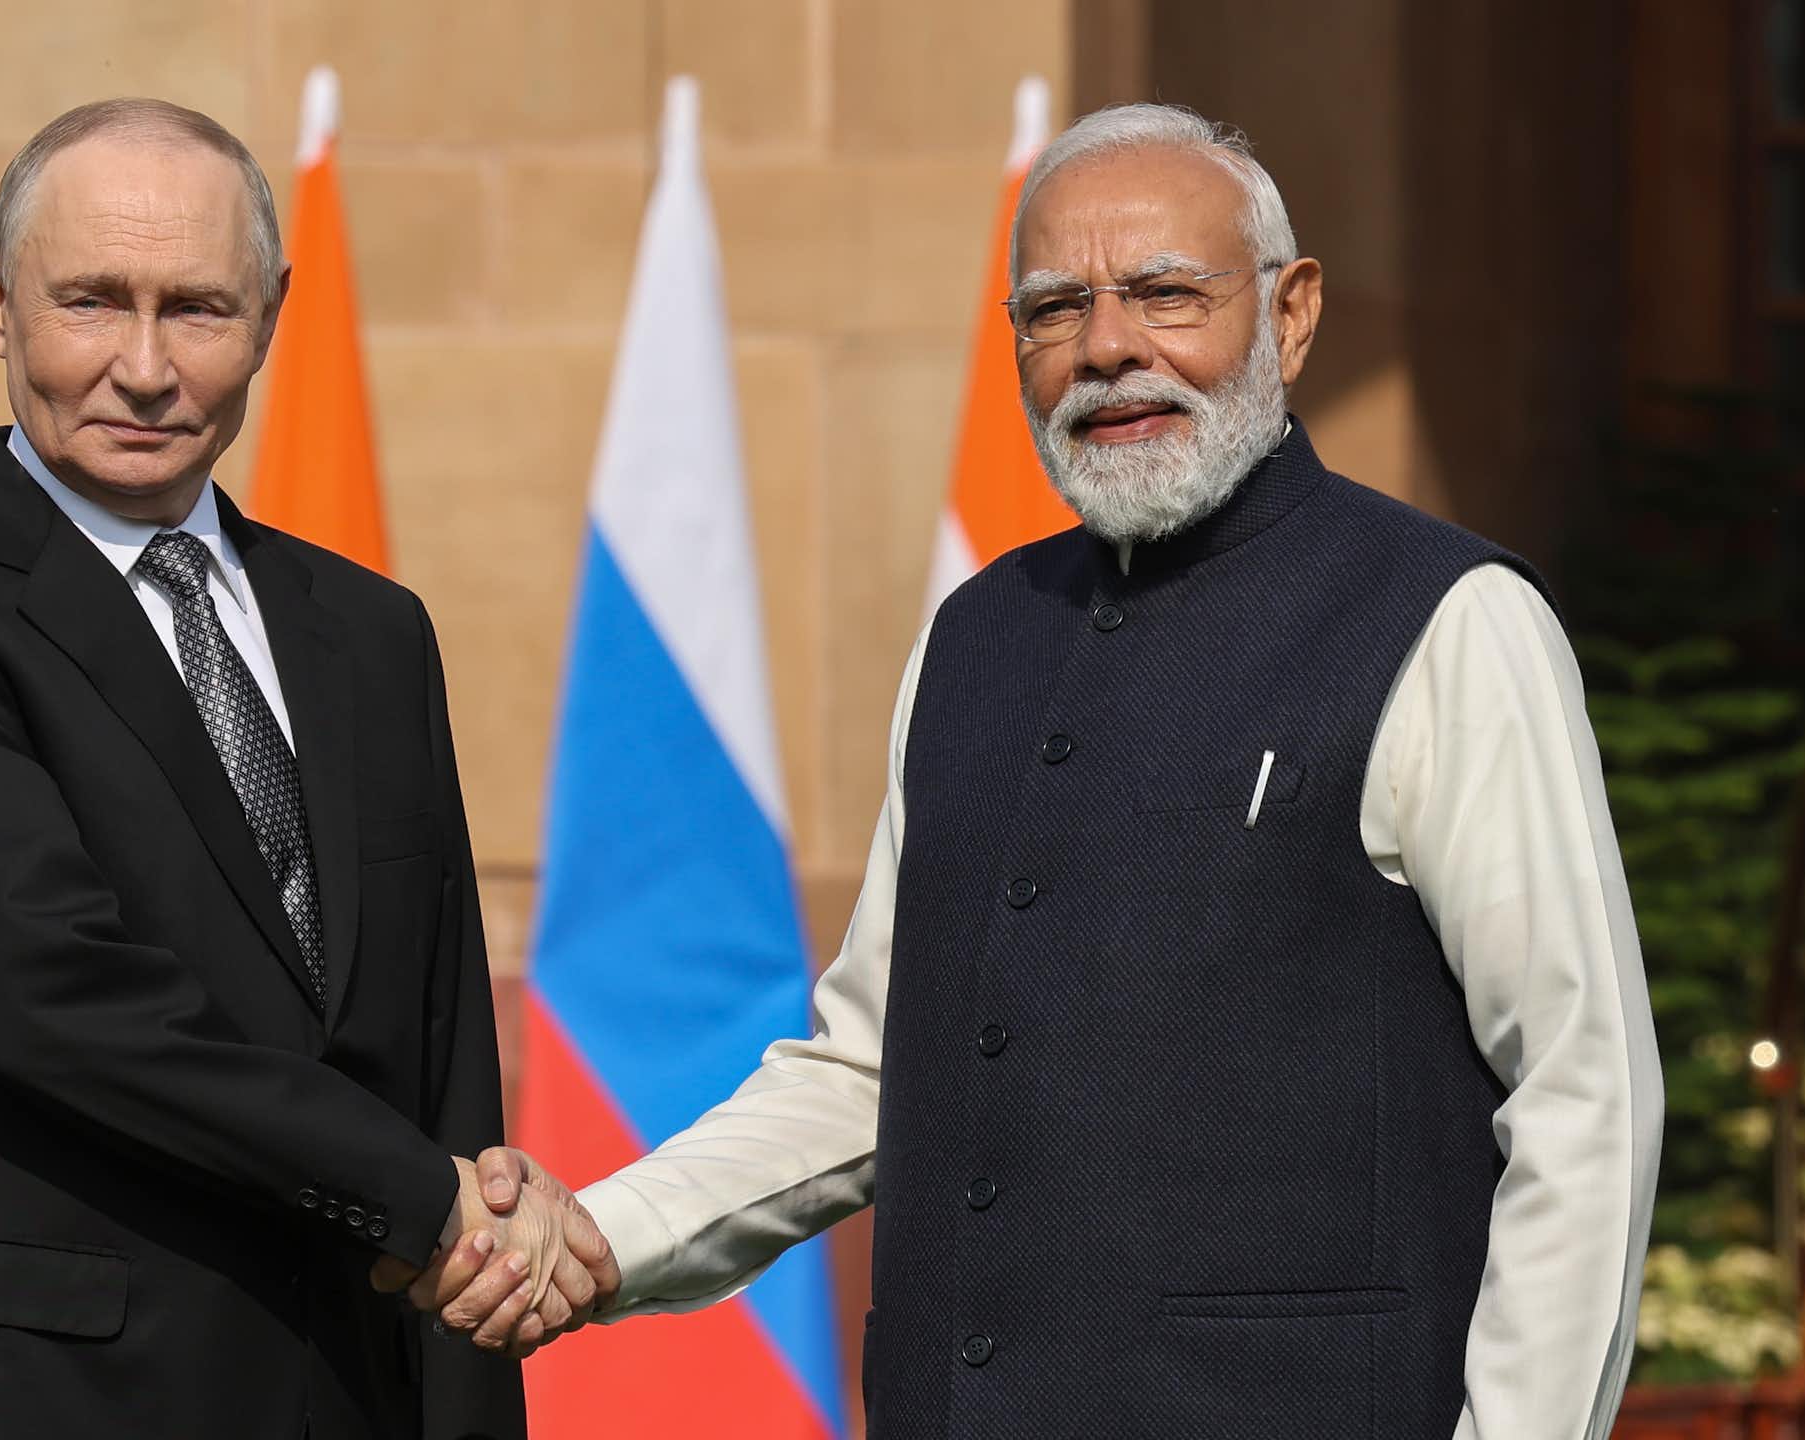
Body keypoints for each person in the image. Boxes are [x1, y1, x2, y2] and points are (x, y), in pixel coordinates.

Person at [427, 102, 1663, 1439]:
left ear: (1292, 316)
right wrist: (608, 1234)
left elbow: (1584, 1099)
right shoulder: (973, 638)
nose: (1110, 348)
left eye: (1166, 294)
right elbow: (876, 1067)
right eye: (1054, 310)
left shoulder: (1449, 621)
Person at [0, 98, 608, 1440]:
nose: (145, 368)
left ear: (272, 314)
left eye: (199, 310)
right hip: (18, 1405)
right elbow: (55, 998)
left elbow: (438, 1059)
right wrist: (431, 1199)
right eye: (93, 302)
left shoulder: (374, 636)